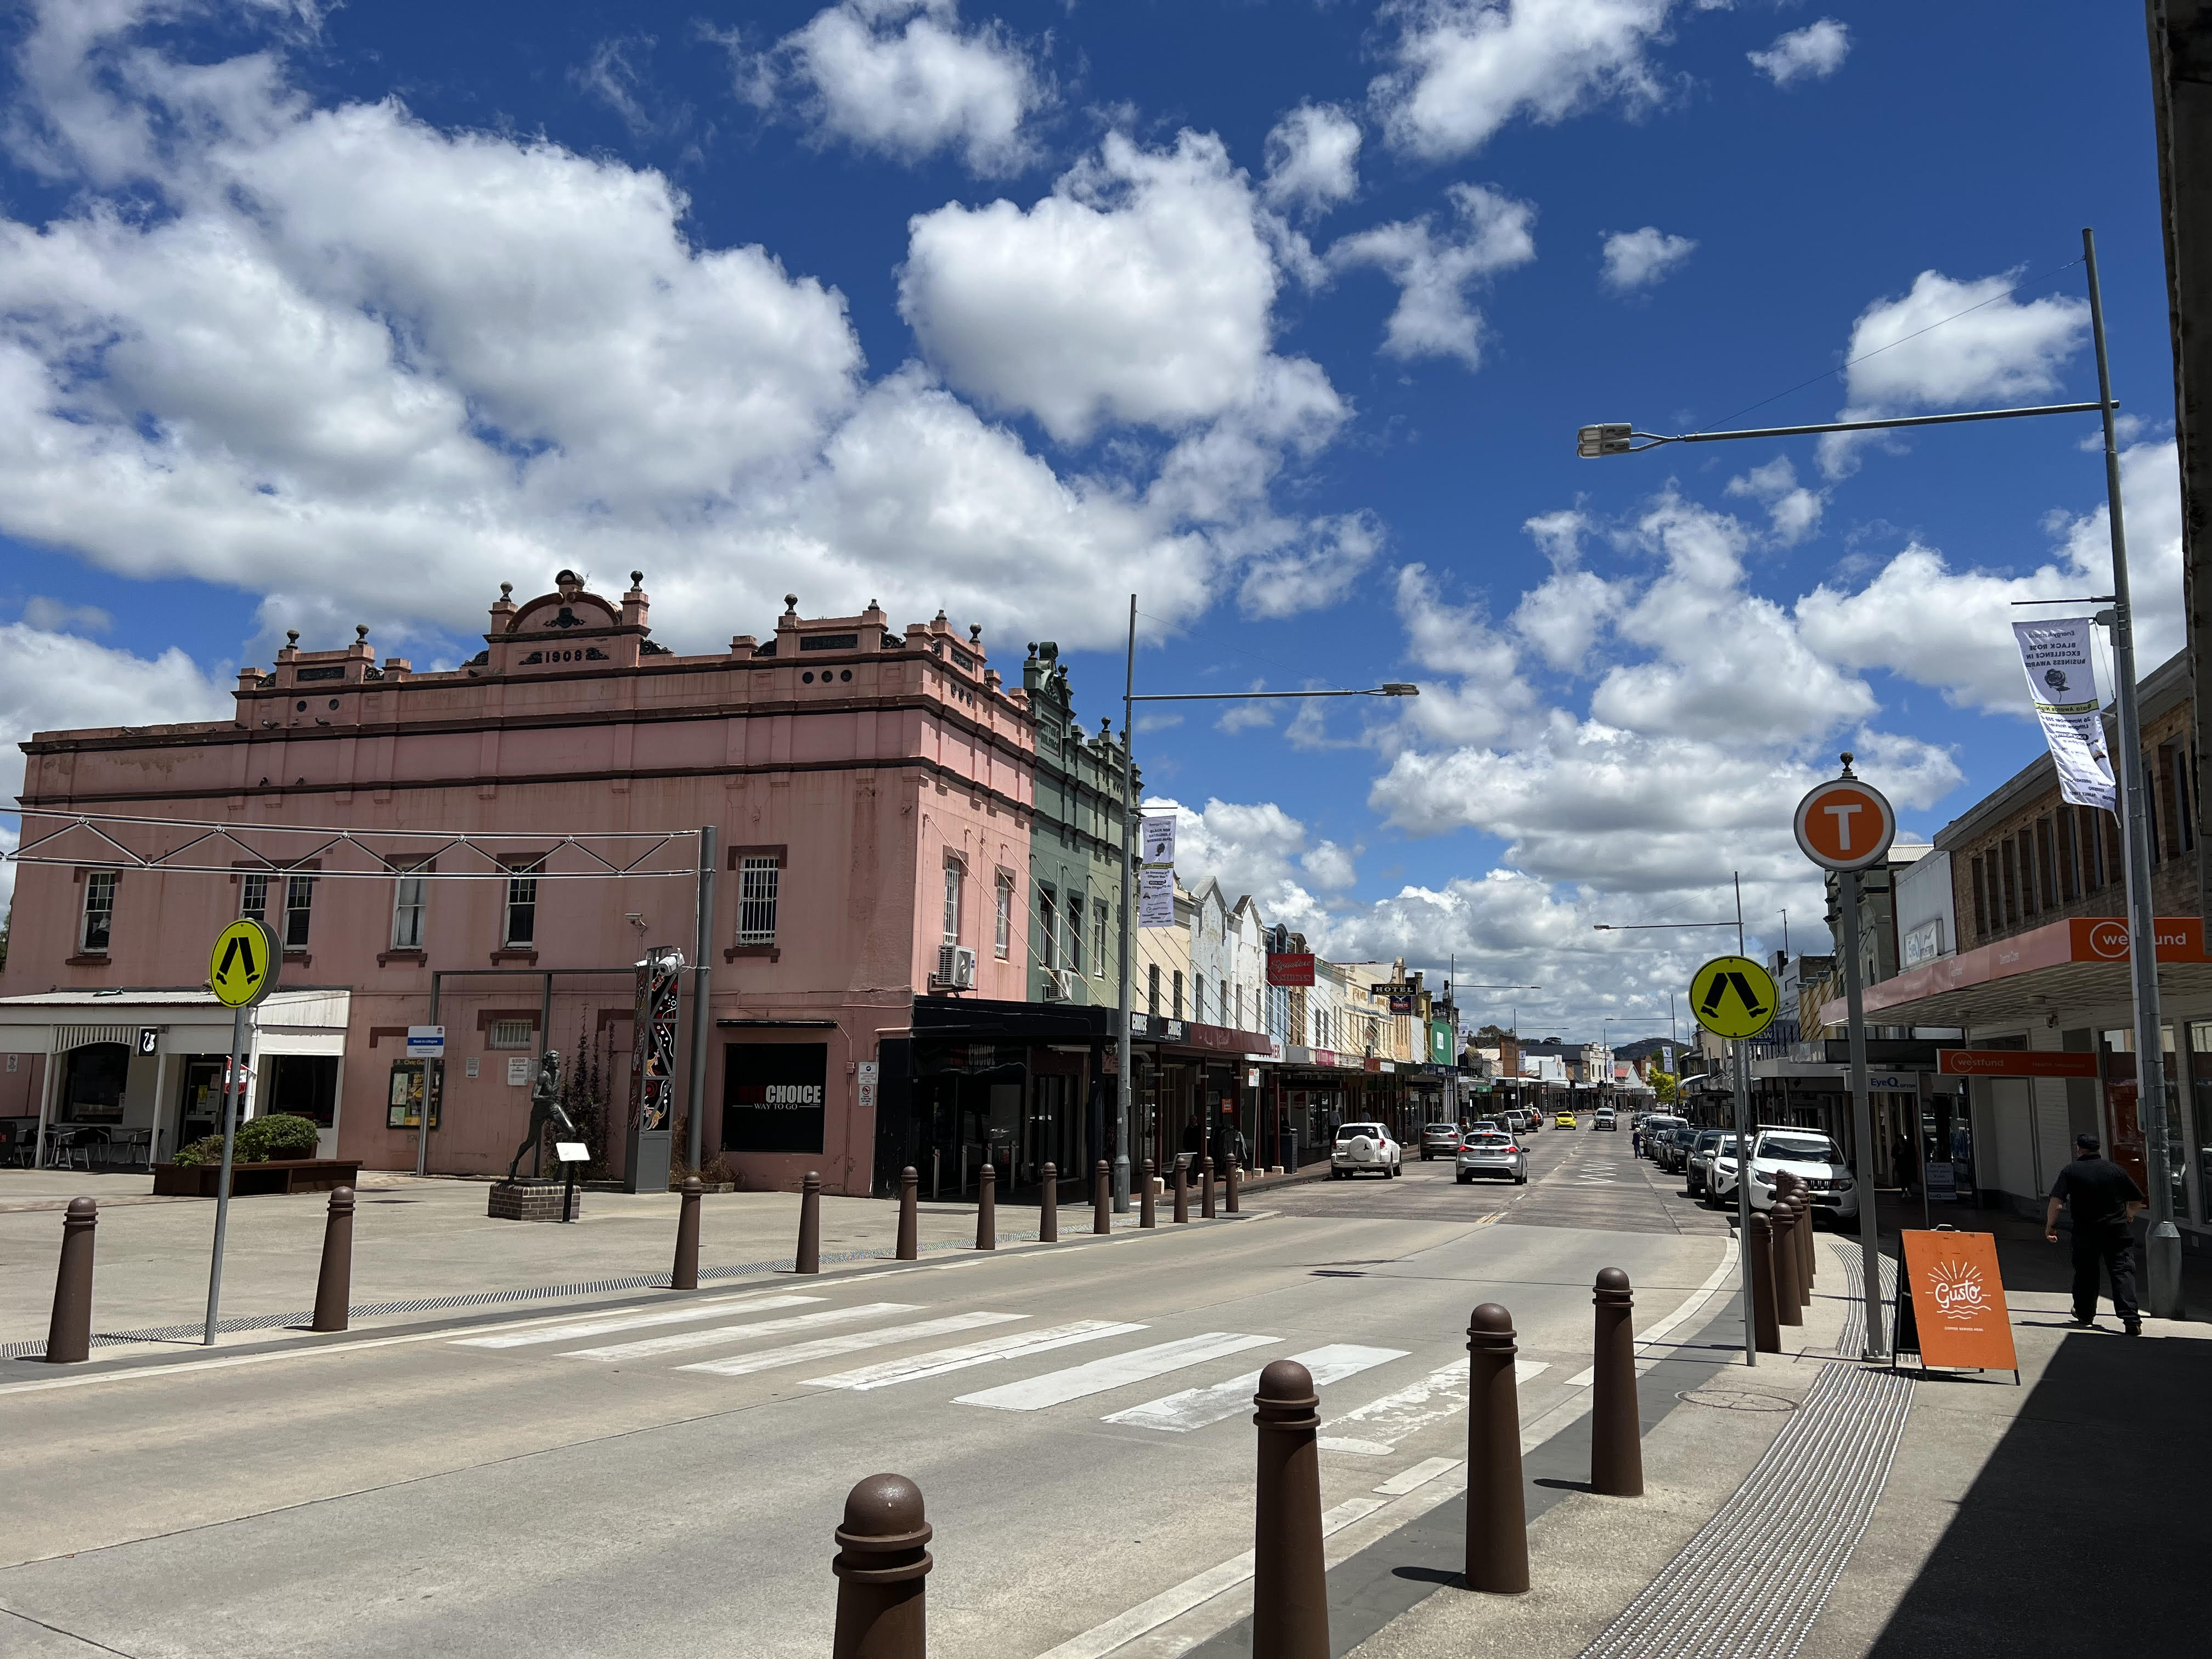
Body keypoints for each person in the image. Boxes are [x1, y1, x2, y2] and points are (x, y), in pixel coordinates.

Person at [2045, 1132, 2146, 1334]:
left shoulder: (2071, 1171)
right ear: (2098, 1149)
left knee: (2086, 1273)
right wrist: (2129, 1215)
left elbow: (2057, 1203)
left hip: (2086, 1232)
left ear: (2079, 1149)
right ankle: (2131, 1319)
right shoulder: (2115, 1170)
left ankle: (2085, 1313)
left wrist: (2051, 1226)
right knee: (2122, 1272)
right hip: (2117, 1231)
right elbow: (2137, 1198)